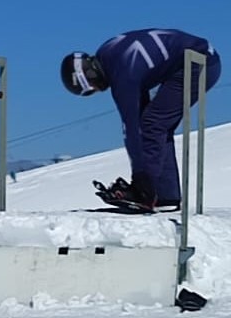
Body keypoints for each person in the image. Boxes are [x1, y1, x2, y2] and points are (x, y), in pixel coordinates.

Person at [61, 29, 221, 211]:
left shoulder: (122, 76)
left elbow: (131, 128)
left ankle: (151, 191)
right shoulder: (108, 54)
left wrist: (140, 177)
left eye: (92, 86)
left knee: (153, 124)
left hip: (199, 63)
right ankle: (165, 196)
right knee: (156, 125)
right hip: (198, 57)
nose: (98, 90)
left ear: (91, 73)